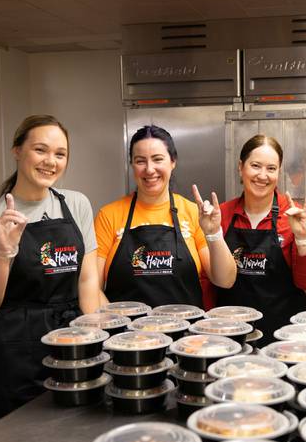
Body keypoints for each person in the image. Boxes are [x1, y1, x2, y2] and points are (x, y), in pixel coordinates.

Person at [0, 115, 101, 426]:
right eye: (41, 150)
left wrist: (95, 336)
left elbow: (88, 277)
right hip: (15, 357)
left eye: (60, 154)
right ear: (17, 151)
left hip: (71, 345)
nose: (50, 162)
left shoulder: (76, 204)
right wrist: (3, 253)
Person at [95, 125, 236, 308]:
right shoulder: (109, 216)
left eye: (157, 159)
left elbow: (225, 280)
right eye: (140, 161)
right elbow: (93, 288)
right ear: (131, 164)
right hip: (127, 334)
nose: (149, 169)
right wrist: (115, 326)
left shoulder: (193, 212)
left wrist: (213, 233)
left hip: (184, 334)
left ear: (173, 162)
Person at [216, 134, 306, 343]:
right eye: (255, 166)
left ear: (278, 172)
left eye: (271, 168)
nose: (262, 176)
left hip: (285, 336)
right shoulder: (222, 215)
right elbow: (212, 282)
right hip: (233, 335)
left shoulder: (293, 215)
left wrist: (302, 238)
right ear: (241, 167)